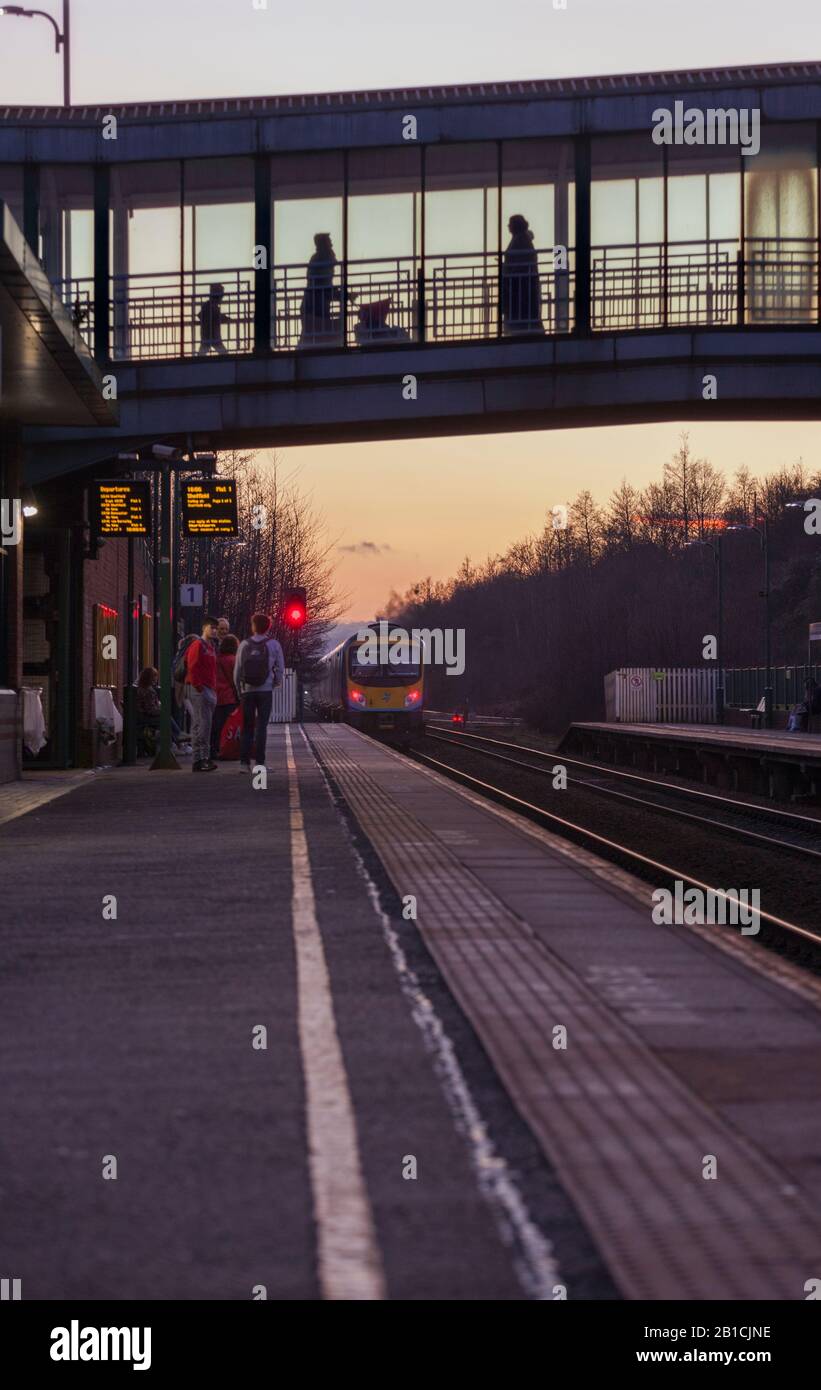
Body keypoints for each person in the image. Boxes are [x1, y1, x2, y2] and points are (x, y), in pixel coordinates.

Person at [234, 612, 285, 772]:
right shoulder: (274, 645)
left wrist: (239, 689)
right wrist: (275, 682)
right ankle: (260, 764)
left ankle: (244, 764)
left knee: (247, 726)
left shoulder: (244, 644)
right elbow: (280, 668)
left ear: (253, 626)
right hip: (265, 690)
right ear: (268, 627)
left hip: (247, 691)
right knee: (262, 727)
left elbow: (237, 670)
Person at [299, 234, 354, 345]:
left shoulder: (317, 259)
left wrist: (344, 295)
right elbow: (325, 289)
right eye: (329, 242)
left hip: (313, 307)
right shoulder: (322, 259)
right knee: (316, 339)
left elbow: (326, 288)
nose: (334, 270)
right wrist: (345, 296)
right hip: (315, 309)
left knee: (311, 339)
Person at [184, 616, 220, 771]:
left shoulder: (209, 646)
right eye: (212, 627)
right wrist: (198, 686)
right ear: (204, 627)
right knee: (202, 725)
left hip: (207, 688)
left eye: (215, 628)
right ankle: (201, 758)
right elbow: (193, 666)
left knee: (203, 724)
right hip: (201, 689)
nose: (214, 630)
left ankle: (201, 758)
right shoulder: (198, 645)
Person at [501, 214, 543, 335]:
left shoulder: (520, 240)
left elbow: (520, 261)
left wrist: (508, 270)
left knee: (521, 313)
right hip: (520, 286)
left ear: (515, 226)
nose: (508, 226)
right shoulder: (521, 239)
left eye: (510, 224)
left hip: (520, 288)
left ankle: (518, 331)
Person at [135, 666, 190, 751]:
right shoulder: (149, 691)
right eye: (154, 676)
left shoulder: (141, 688)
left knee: (166, 717)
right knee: (166, 718)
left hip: (141, 716)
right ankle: (178, 739)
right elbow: (151, 710)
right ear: (150, 678)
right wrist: (161, 710)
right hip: (145, 718)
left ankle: (177, 741)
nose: (156, 679)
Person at [211, 634, 239, 759]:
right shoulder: (233, 660)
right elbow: (235, 680)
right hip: (229, 697)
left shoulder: (216, 658)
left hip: (216, 696)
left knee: (217, 725)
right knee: (228, 725)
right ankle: (227, 748)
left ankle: (214, 749)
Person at [197, 283, 231, 356]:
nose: (222, 297)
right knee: (225, 356)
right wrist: (222, 317)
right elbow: (204, 315)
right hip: (212, 336)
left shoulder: (208, 305)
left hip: (208, 336)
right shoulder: (210, 306)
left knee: (201, 355)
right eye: (221, 295)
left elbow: (200, 315)